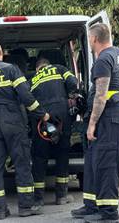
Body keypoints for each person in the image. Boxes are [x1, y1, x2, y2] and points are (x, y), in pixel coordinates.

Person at [0, 41, 50, 219]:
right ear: (1, 53)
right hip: (14, 122)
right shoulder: (12, 69)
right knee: (21, 163)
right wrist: (42, 114)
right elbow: (26, 96)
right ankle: (25, 207)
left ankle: (0, 210)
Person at [71, 23, 119, 222]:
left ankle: (109, 213)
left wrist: (91, 125)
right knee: (94, 160)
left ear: (93, 39)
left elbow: (100, 97)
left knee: (107, 164)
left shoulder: (102, 60)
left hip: (110, 115)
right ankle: (91, 205)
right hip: (118, 113)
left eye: (90, 41)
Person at [29, 57, 78, 206]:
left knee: (39, 157)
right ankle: (61, 196)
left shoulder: (32, 79)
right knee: (62, 154)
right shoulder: (60, 68)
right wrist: (71, 95)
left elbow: (27, 100)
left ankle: (38, 199)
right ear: (48, 65)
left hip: (41, 118)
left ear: (38, 69)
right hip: (62, 115)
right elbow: (73, 83)